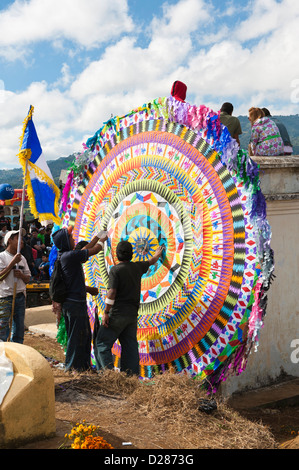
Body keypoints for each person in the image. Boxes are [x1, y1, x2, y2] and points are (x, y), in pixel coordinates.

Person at [95, 241, 163, 376]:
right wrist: (157, 254)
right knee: (130, 346)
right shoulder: (137, 267)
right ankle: (131, 378)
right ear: (132, 254)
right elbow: (151, 261)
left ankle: (108, 377)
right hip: (132, 315)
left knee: (102, 343)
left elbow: (111, 292)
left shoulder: (116, 270)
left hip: (117, 314)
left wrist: (106, 312)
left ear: (117, 254)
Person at [52, 226, 108, 372]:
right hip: (75, 304)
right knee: (77, 337)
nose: (74, 240)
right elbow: (94, 250)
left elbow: (85, 249)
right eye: (71, 238)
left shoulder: (66, 255)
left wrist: (98, 235)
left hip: (72, 304)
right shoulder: (69, 256)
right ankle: (72, 369)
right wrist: (103, 240)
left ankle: (82, 367)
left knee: (81, 335)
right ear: (65, 241)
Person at [0, 230, 31, 343]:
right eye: (18, 239)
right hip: (5, 297)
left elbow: (28, 278)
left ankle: (17, 349)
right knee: (2, 328)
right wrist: (12, 263)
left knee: (19, 327)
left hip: (20, 296)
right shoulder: (2, 257)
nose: (22, 241)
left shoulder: (22, 259)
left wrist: (22, 276)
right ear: (9, 240)